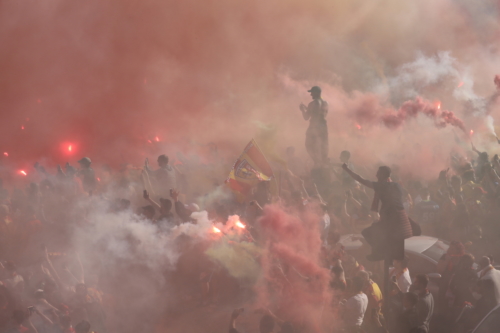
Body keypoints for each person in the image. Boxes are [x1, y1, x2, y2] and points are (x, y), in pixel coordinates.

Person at [342, 164, 414, 261]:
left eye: (378, 174)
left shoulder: (382, 186)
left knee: (367, 232)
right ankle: (382, 252)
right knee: (377, 232)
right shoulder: (397, 185)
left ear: (383, 175)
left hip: (392, 222)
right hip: (401, 221)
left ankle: (379, 252)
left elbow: (361, 179)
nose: (376, 176)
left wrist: (347, 169)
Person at [299, 86, 328, 166]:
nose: (311, 94)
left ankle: (317, 162)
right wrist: (307, 108)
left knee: (308, 145)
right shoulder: (325, 103)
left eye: (312, 92)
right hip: (323, 126)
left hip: (314, 126)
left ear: (317, 93)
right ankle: (324, 164)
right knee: (323, 146)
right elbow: (318, 113)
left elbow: (306, 117)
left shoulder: (312, 103)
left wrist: (302, 110)